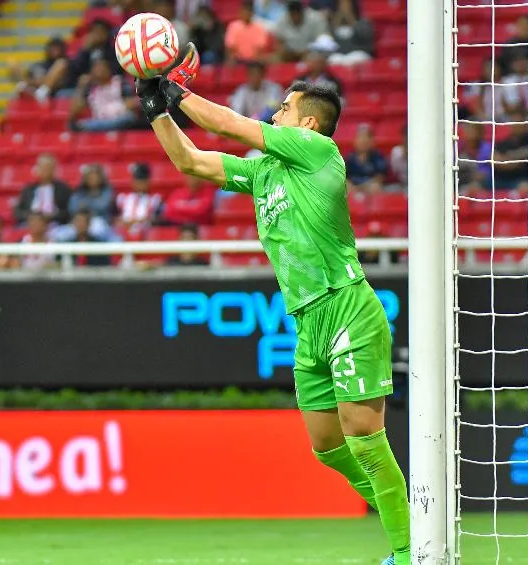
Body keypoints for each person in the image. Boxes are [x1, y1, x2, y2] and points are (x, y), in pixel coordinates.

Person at [136, 44, 409, 565]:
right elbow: (189, 160)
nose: (273, 113)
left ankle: (410, 549)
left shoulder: (318, 154)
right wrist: (156, 110)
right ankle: (417, 516)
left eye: (282, 108)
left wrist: (175, 90)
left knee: (363, 437)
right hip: (307, 320)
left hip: (347, 305)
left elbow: (233, 126)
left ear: (306, 122)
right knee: (327, 446)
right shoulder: (265, 175)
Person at [13, 153, 71, 225]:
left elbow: (68, 212)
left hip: (54, 224)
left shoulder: (63, 189)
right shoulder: (28, 189)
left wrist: (52, 216)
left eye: (48, 167)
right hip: (30, 224)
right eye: (42, 167)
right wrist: (30, 216)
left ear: (54, 170)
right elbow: (17, 212)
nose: (45, 170)